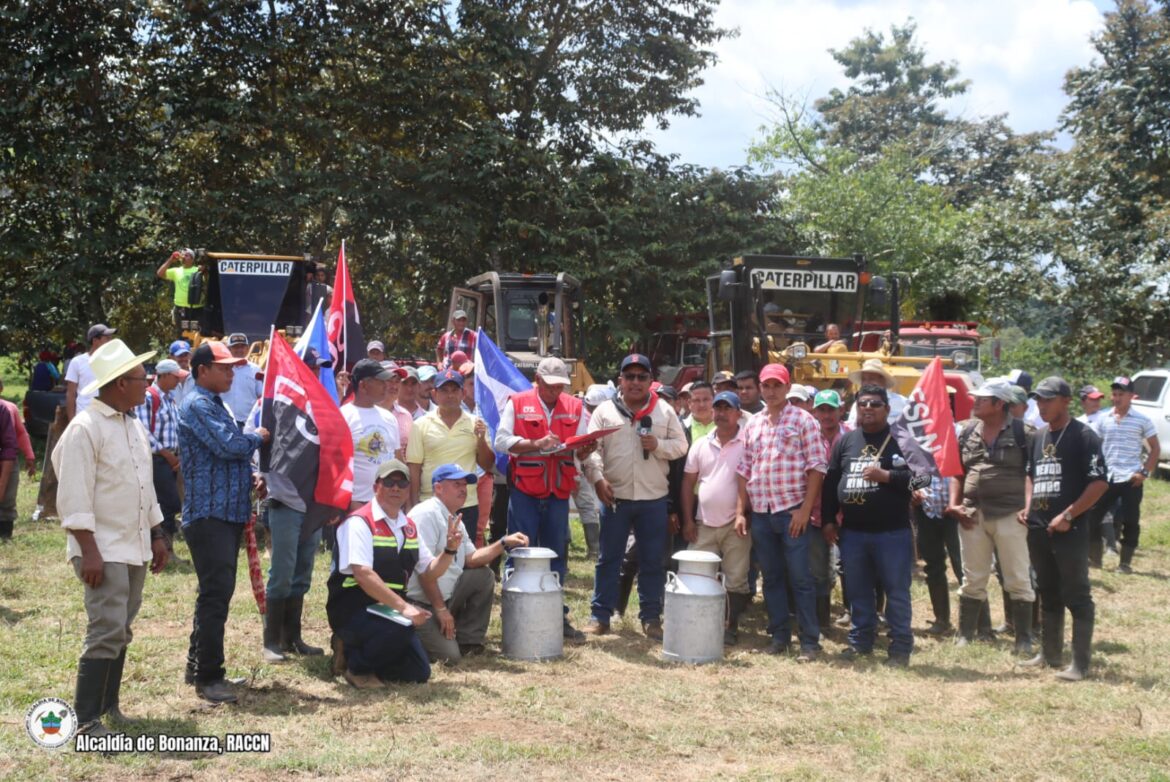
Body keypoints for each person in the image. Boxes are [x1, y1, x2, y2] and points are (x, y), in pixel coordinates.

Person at [53, 338, 169, 738]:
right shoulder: (85, 428)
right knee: (105, 628)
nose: (147, 383)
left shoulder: (132, 424)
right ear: (121, 383)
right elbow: (73, 494)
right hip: (102, 546)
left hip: (132, 542)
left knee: (122, 626)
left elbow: (144, 485)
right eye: (142, 378)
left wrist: (157, 534)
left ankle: (108, 707)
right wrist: (88, 551)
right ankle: (85, 720)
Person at [179, 341, 270, 703]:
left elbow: (225, 455)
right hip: (210, 515)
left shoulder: (215, 403)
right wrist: (258, 437)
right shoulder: (199, 404)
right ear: (203, 370)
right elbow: (229, 445)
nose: (233, 373)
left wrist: (248, 476)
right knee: (215, 597)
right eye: (225, 368)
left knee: (213, 594)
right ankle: (209, 677)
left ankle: (197, 665)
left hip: (224, 514)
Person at [582, 354, 688, 639]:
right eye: (630, 376)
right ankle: (600, 616)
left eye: (642, 377)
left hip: (653, 499)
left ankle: (651, 618)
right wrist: (598, 479)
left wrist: (658, 445)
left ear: (651, 381)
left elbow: (681, 446)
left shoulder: (664, 411)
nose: (636, 382)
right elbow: (592, 450)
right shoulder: (604, 411)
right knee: (608, 559)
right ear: (621, 381)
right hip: (614, 498)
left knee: (653, 561)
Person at [495, 357, 592, 643]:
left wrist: (585, 450)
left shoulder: (575, 406)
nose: (555, 392)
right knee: (520, 551)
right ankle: (514, 614)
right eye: (550, 386)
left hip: (558, 491)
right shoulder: (518, 402)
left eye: (560, 386)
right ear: (537, 379)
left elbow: (581, 445)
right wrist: (535, 444)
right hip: (525, 488)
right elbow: (500, 441)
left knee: (556, 555)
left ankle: (555, 616)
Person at [735, 363, 827, 660]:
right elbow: (744, 470)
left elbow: (817, 468)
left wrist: (804, 510)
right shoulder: (754, 423)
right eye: (766, 385)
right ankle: (779, 636)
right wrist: (741, 511)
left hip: (791, 513)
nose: (771, 391)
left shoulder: (803, 420)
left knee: (801, 578)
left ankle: (810, 642)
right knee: (771, 578)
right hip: (762, 513)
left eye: (777, 385)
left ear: (788, 388)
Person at [1020, 377, 1108, 681]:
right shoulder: (1038, 436)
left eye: (1047, 399)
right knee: (1047, 590)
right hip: (1038, 527)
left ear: (1066, 400)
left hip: (1069, 529)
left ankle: (1080, 664)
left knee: (1077, 594)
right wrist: (1028, 505)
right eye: (1038, 400)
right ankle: (1050, 653)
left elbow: (1098, 483)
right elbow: (1030, 476)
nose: (1041, 405)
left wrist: (1069, 514)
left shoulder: (1084, 436)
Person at [822, 384, 915, 666]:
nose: (868, 408)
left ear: (887, 408)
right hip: (853, 533)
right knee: (858, 591)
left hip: (892, 532)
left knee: (896, 591)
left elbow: (923, 481)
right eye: (863, 404)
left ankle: (900, 646)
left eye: (875, 404)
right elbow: (830, 483)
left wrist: (887, 476)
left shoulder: (903, 440)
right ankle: (860, 641)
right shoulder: (846, 441)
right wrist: (828, 519)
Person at [327, 460, 435, 688]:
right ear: (376, 487)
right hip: (352, 606)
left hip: (386, 608)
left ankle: (352, 650)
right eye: (389, 482)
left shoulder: (409, 526)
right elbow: (362, 574)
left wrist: (450, 550)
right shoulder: (358, 521)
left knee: (419, 672)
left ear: (408, 489)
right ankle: (357, 668)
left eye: (402, 483)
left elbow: (430, 569)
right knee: (401, 627)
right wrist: (404, 608)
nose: (396, 488)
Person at [948, 379, 1036, 655]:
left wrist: (1029, 507)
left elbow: (1032, 473)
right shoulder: (967, 430)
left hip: (1011, 513)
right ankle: (966, 634)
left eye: (982, 399)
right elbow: (957, 472)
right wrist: (954, 505)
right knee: (972, 577)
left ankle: (1024, 637)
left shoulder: (1026, 433)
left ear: (1000, 404)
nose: (975, 402)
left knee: (1017, 577)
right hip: (972, 513)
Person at [408, 464, 529, 663]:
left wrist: (503, 543)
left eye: (464, 484)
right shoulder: (425, 514)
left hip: (445, 596)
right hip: (422, 602)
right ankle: (412, 633)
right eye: (457, 484)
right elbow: (424, 574)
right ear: (438, 488)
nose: (463, 489)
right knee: (450, 657)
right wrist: (440, 610)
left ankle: (468, 641)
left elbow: (471, 560)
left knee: (483, 576)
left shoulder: (455, 517)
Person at [680, 391, 751, 645]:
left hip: (736, 524)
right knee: (695, 573)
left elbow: (747, 482)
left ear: (738, 413)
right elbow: (688, 484)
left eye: (727, 409)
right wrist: (688, 520)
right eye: (718, 408)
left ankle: (729, 627)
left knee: (736, 578)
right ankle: (695, 621)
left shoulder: (748, 442)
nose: (721, 413)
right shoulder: (700, 444)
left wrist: (742, 514)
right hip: (703, 524)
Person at [406, 368, 494, 536]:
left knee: (463, 558)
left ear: (463, 393)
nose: (450, 395)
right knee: (430, 557)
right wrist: (413, 503)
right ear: (435, 393)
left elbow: (487, 464)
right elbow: (414, 468)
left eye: (455, 390)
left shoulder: (476, 423)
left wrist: (481, 439)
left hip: (465, 503)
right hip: (430, 502)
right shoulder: (421, 424)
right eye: (444, 390)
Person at [1087, 376, 1160, 572]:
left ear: (1131, 396)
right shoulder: (1104, 418)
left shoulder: (1142, 420)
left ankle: (1125, 563)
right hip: (1107, 477)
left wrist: (1144, 471)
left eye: (1121, 394)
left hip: (1131, 478)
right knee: (1093, 516)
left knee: (1130, 521)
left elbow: (1155, 448)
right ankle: (1095, 559)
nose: (1117, 398)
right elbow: (1094, 445)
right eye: (1115, 394)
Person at [131, 359, 186, 561]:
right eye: (175, 377)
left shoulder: (169, 399)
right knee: (166, 503)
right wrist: (166, 454)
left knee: (169, 504)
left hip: (171, 458)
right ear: (163, 375)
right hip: (157, 459)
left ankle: (167, 549)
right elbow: (144, 431)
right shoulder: (149, 397)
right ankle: (163, 549)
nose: (178, 381)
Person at [809, 389, 852, 631]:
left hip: (848, 514)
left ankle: (854, 613)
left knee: (851, 567)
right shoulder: (809, 436)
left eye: (831, 409)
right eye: (821, 410)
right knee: (818, 569)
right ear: (814, 411)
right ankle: (823, 622)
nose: (826, 415)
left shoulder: (853, 437)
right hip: (816, 513)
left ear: (841, 410)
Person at [342, 360, 402, 510]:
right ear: (363, 385)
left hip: (388, 505)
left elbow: (398, 460)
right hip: (355, 503)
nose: (386, 385)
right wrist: (349, 502)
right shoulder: (343, 416)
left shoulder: (389, 417)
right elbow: (336, 466)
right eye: (380, 381)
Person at [0, 377, 35, 540]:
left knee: (7, 497)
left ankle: (6, 533)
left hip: (8, 459)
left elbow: (20, 434)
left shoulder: (8, 409)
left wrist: (29, 456)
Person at [65, 324, 117, 421]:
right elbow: (71, 394)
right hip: (84, 418)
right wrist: (72, 422)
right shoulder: (77, 362)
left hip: (107, 417)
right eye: (107, 339)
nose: (110, 342)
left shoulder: (112, 362)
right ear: (95, 341)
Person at [157, 248, 204, 337]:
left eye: (187, 255)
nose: (183, 257)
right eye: (183, 255)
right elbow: (160, 273)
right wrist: (171, 260)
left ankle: (194, 349)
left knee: (195, 333)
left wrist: (203, 269)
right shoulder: (176, 271)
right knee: (183, 333)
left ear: (192, 259)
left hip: (196, 310)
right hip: (181, 310)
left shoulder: (198, 270)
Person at [846, 358, 906, 424]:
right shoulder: (857, 405)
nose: (866, 383)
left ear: (883, 380)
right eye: (863, 379)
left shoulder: (902, 402)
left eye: (871, 378)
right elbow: (851, 427)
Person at [169, 340, 195, 407]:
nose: (183, 358)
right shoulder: (164, 377)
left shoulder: (197, 376)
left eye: (185, 355)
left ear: (190, 356)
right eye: (180, 355)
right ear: (171, 357)